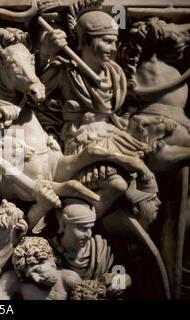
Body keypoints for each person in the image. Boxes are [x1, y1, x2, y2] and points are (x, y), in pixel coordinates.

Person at [38, 8, 159, 218]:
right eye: (106, 41)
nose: (112, 48)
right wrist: (45, 53)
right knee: (117, 184)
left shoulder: (114, 72)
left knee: (137, 172)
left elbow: (116, 107)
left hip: (111, 133)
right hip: (82, 136)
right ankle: (79, 221)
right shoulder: (65, 71)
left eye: (114, 42)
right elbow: (34, 92)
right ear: (84, 40)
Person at [0, 236, 81, 300]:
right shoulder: (18, 282)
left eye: (37, 270)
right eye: (30, 276)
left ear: (50, 260)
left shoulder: (69, 278)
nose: (36, 279)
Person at [50, 198, 113, 280]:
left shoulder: (100, 249)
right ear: (64, 225)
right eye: (83, 228)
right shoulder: (49, 251)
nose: (88, 235)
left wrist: (122, 282)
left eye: (90, 228)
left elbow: (120, 270)